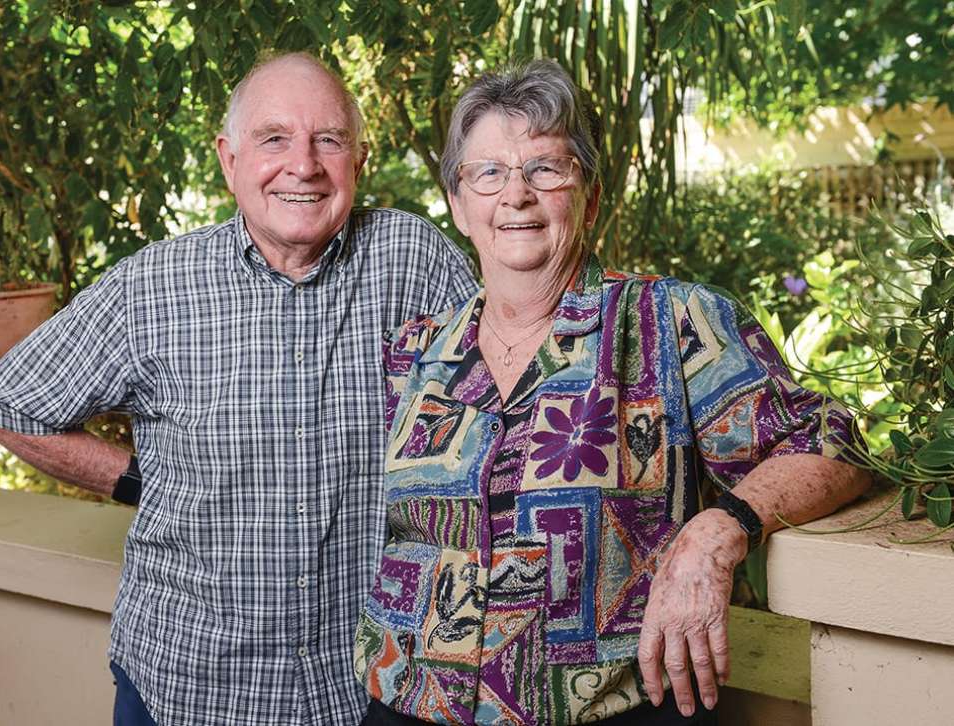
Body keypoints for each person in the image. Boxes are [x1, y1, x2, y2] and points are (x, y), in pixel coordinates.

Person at [353, 59, 871, 725]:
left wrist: (718, 530)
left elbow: (832, 443)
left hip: (613, 710)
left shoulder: (672, 324)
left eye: (545, 168)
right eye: (488, 173)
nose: (515, 195)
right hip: (409, 705)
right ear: (458, 203)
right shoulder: (413, 354)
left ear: (589, 195)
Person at [0, 52, 477, 725]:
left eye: (327, 140)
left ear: (357, 159)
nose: (302, 165)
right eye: (273, 138)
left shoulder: (413, 261)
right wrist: (133, 480)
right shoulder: (152, 288)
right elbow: (6, 402)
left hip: (370, 689)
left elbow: (515, 393)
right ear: (228, 159)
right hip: (190, 687)